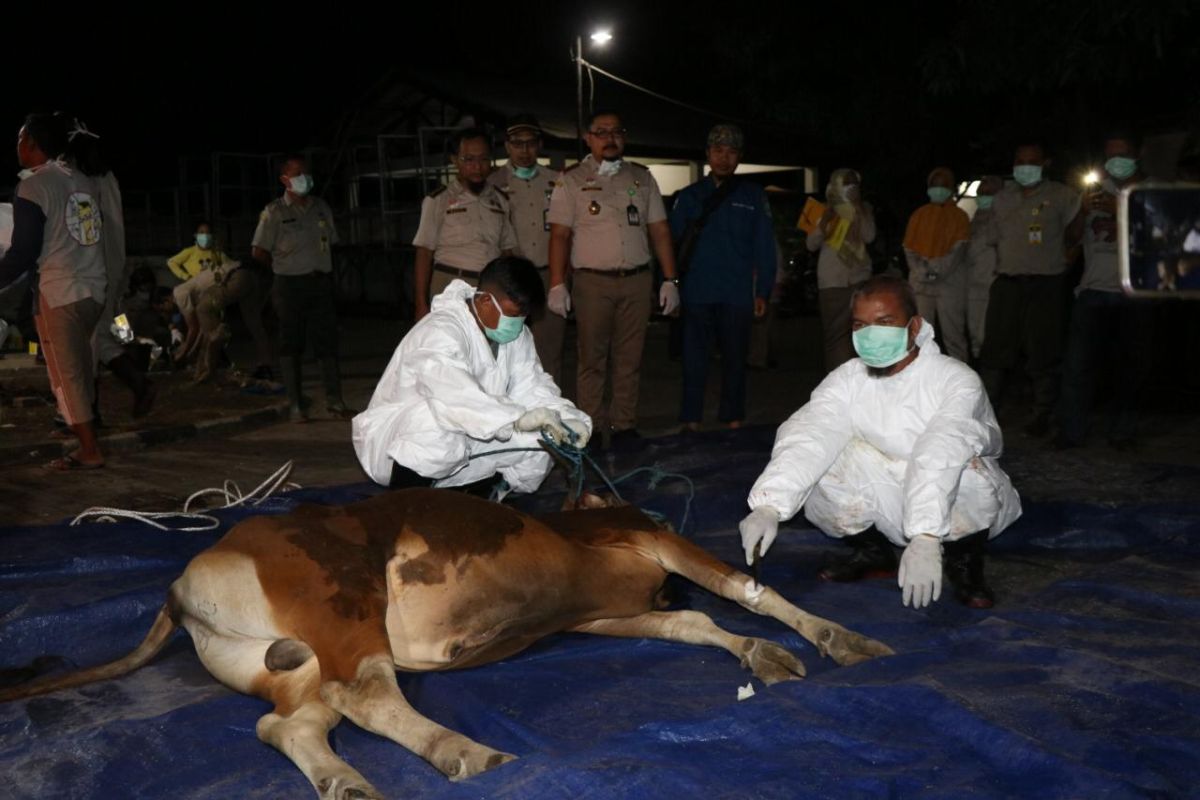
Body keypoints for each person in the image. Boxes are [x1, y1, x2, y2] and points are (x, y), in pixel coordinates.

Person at [738, 276, 1021, 609]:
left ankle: (963, 560)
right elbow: (812, 432)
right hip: (886, 489)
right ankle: (873, 551)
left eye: (884, 322)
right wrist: (770, 504)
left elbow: (942, 448)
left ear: (914, 326)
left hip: (945, 491)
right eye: (861, 324)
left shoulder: (954, 379)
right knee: (825, 465)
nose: (871, 333)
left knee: (965, 470)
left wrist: (927, 534)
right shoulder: (849, 379)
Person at [352, 256, 590, 495]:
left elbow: (533, 387)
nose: (519, 323)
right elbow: (455, 398)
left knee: (542, 438)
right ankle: (405, 506)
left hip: (472, 436)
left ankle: (490, 498)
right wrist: (515, 419)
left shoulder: (518, 337)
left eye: (523, 316)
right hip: (398, 444)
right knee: (438, 424)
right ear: (486, 301)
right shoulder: (441, 329)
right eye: (514, 314)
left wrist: (568, 420)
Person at [546, 110, 680, 443]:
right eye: (601, 132)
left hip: (636, 279)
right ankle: (590, 427)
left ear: (624, 137)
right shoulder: (571, 179)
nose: (610, 138)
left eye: (616, 131)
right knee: (591, 358)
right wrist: (557, 283)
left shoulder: (642, 177)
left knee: (629, 358)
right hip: (592, 282)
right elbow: (560, 235)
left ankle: (624, 425)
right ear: (588, 138)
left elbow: (660, 230)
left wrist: (670, 279)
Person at [0, 113, 115, 468]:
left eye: (20, 138)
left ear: (32, 143)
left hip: (59, 290)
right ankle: (87, 439)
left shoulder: (33, 187)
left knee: (65, 377)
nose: (17, 145)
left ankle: (89, 450)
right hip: (93, 288)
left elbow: (23, 252)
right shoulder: (82, 181)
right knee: (80, 367)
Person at [669, 123, 776, 430]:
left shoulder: (753, 196)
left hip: (737, 293)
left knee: (735, 359)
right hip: (696, 292)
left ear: (739, 157)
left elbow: (765, 248)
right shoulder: (688, 197)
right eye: (718, 150)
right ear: (707, 154)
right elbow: (672, 247)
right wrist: (670, 288)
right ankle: (691, 418)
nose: (724, 158)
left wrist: (762, 292)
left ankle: (733, 417)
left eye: (731, 152)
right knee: (693, 359)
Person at [1056, 132, 1154, 450]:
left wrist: (1120, 210)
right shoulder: (1092, 193)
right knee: (1077, 367)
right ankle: (1071, 432)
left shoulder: (1151, 192)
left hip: (1135, 293)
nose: (1116, 161)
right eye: (1110, 155)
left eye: (1122, 153)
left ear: (1136, 155)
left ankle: (1122, 433)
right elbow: (1070, 241)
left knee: (1130, 367)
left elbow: (1164, 239)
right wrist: (1083, 212)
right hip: (1092, 291)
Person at [977, 140, 1081, 437]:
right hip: (1008, 282)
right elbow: (993, 239)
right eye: (1020, 161)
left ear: (1045, 163)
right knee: (995, 351)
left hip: (1047, 284)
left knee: (1044, 351)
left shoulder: (1063, 195)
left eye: (1032, 161)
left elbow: (1077, 237)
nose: (1025, 167)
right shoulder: (1002, 199)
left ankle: (1043, 414)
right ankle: (986, 413)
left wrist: (1061, 267)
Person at [252, 155, 352, 422]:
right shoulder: (274, 212)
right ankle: (296, 405)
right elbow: (258, 251)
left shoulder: (321, 208)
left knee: (327, 342)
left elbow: (332, 242)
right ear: (284, 180)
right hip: (288, 286)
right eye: (297, 174)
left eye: (305, 173)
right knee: (290, 344)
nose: (304, 178)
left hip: (320, 283)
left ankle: (335, 401)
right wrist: (282, 266)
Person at [486, 115, 566, 383]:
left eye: (530, 143)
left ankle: (548, 408)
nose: (524, 150)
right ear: (507, 146)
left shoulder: (559, 181)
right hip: (508, 278)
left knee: (549, 347)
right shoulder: (492, 182)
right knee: (504, 347)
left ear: (539, 145)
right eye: (517, 144)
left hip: (547, 275)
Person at [413, 128, 516, 321]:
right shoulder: (438, 200)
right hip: (449, 286)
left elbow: (506, 251)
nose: (477, 167)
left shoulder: (501, 201)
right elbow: (424, 252)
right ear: (455, 160)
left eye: (484, 159)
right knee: (452, 347)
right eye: (469, 160)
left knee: (488, 347)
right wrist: (420, 304)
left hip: (489, 288)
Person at [807, 168, 876, 372]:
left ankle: (861, 380)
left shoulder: (864, 208)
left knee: (862, 335)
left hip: (859, 278)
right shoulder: (822, 209)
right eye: (845, 183)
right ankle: (837, 382)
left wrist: (857, 209)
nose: (850, 187)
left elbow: (869, 236)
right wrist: (825, 221)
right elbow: (811, 244)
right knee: (834, 337)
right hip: (832, 281)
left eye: (853, 183)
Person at [903, 167, 971, 362]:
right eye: (935, 184)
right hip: (922, 284)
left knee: (954, 336)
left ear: (951, 188)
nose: (939, 189)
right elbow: (909, 248)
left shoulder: (959, 217)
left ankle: (961, 382)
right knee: (921, 336)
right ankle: (922, 379)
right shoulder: (919, 215)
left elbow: (958, 251)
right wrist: (924, 271)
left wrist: (935, 270)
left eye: (944, 185)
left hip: (950, 285)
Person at [190, 259, 274, 384]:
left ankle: (212, 364)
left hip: (239, 276)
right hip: (252, 278)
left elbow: (196, 326)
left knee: (203, 310)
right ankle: (266, 366)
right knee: (256, 326)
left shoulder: (183, 291)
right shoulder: (210, 270)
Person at [168, 222, 234, 364]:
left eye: (207, 233)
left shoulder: (217, 254)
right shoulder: (190, 251)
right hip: (195, 295)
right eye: (201, 233)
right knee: (197, 327)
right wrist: (186, 277)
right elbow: (171, 262)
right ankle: (192, 357)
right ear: (196, 235)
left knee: (208, 328)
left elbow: (229, 268)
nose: (205, 236)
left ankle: (201, 358)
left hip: (212, 295)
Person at [965, 176, 1003, 360]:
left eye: (989, 193)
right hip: (973, 285)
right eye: (981, 193)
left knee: (987, 334)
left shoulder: (1004, 219)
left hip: (993, 285)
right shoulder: (973, 220)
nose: (984, 196)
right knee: (974, 334)